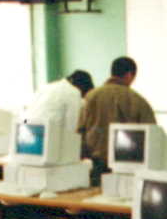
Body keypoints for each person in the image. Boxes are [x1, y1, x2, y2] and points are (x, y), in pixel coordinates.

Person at [77, 55, 155, 185]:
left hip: (95, 167)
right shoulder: (137, 100)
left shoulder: (90, 96)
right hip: (126, 171)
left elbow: (80, 132)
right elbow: (151, 138)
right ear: (130, 75)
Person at [25, 69, 94, 128]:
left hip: (27, 126)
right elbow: (73, 125)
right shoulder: (73, 92)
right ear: (83, 88)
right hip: (47, 131)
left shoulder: (46, 87)